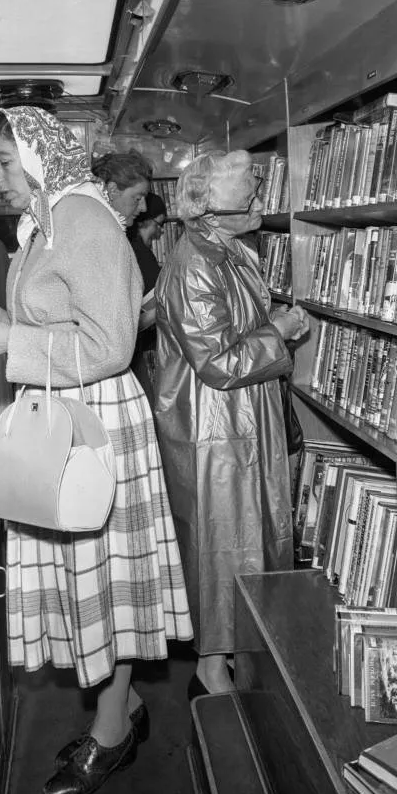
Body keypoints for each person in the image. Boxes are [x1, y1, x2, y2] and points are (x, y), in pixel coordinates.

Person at [0, 107, 192, 794]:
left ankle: (113, 730)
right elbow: (52, 324)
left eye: (2, 160)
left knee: (103, 581)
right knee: (89, 580)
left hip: (96, 420)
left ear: (37, 152)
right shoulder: (45, 223)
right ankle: (124, 709)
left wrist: (11, 344)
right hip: (70, 411)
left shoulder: (82, 221)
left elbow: (110, 345)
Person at [154, 149, 309, 697]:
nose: (256, 190)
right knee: (224, 542)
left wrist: (271, 328)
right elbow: (217, 361)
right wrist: (282, 331)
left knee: (253, 534)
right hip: (213, 425)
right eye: (245, 183)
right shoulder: (194, 261)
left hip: (244, 415)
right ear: (208, 199)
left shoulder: (228, 249)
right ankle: (213, 664)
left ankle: (240, 654)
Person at [127, 191, 167, 404]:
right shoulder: (138, 254)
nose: (160, 233)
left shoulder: (136, 250)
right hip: (142, 351)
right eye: (158, 224)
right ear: (144, 222)